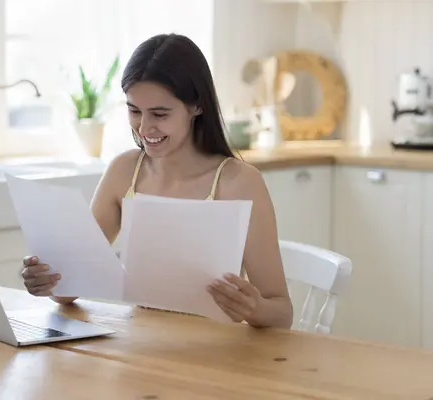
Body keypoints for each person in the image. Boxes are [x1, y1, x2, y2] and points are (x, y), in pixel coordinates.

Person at [21, 33, 293, 329]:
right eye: (134, 110)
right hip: (140, 346)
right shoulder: (123, 172)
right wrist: (49, 281)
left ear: (197, 106)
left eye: (160, 113)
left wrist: (252, 309)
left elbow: (281, 312)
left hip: (217, 356)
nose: (144, 127)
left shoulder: (238, 182)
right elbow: (70, 287)